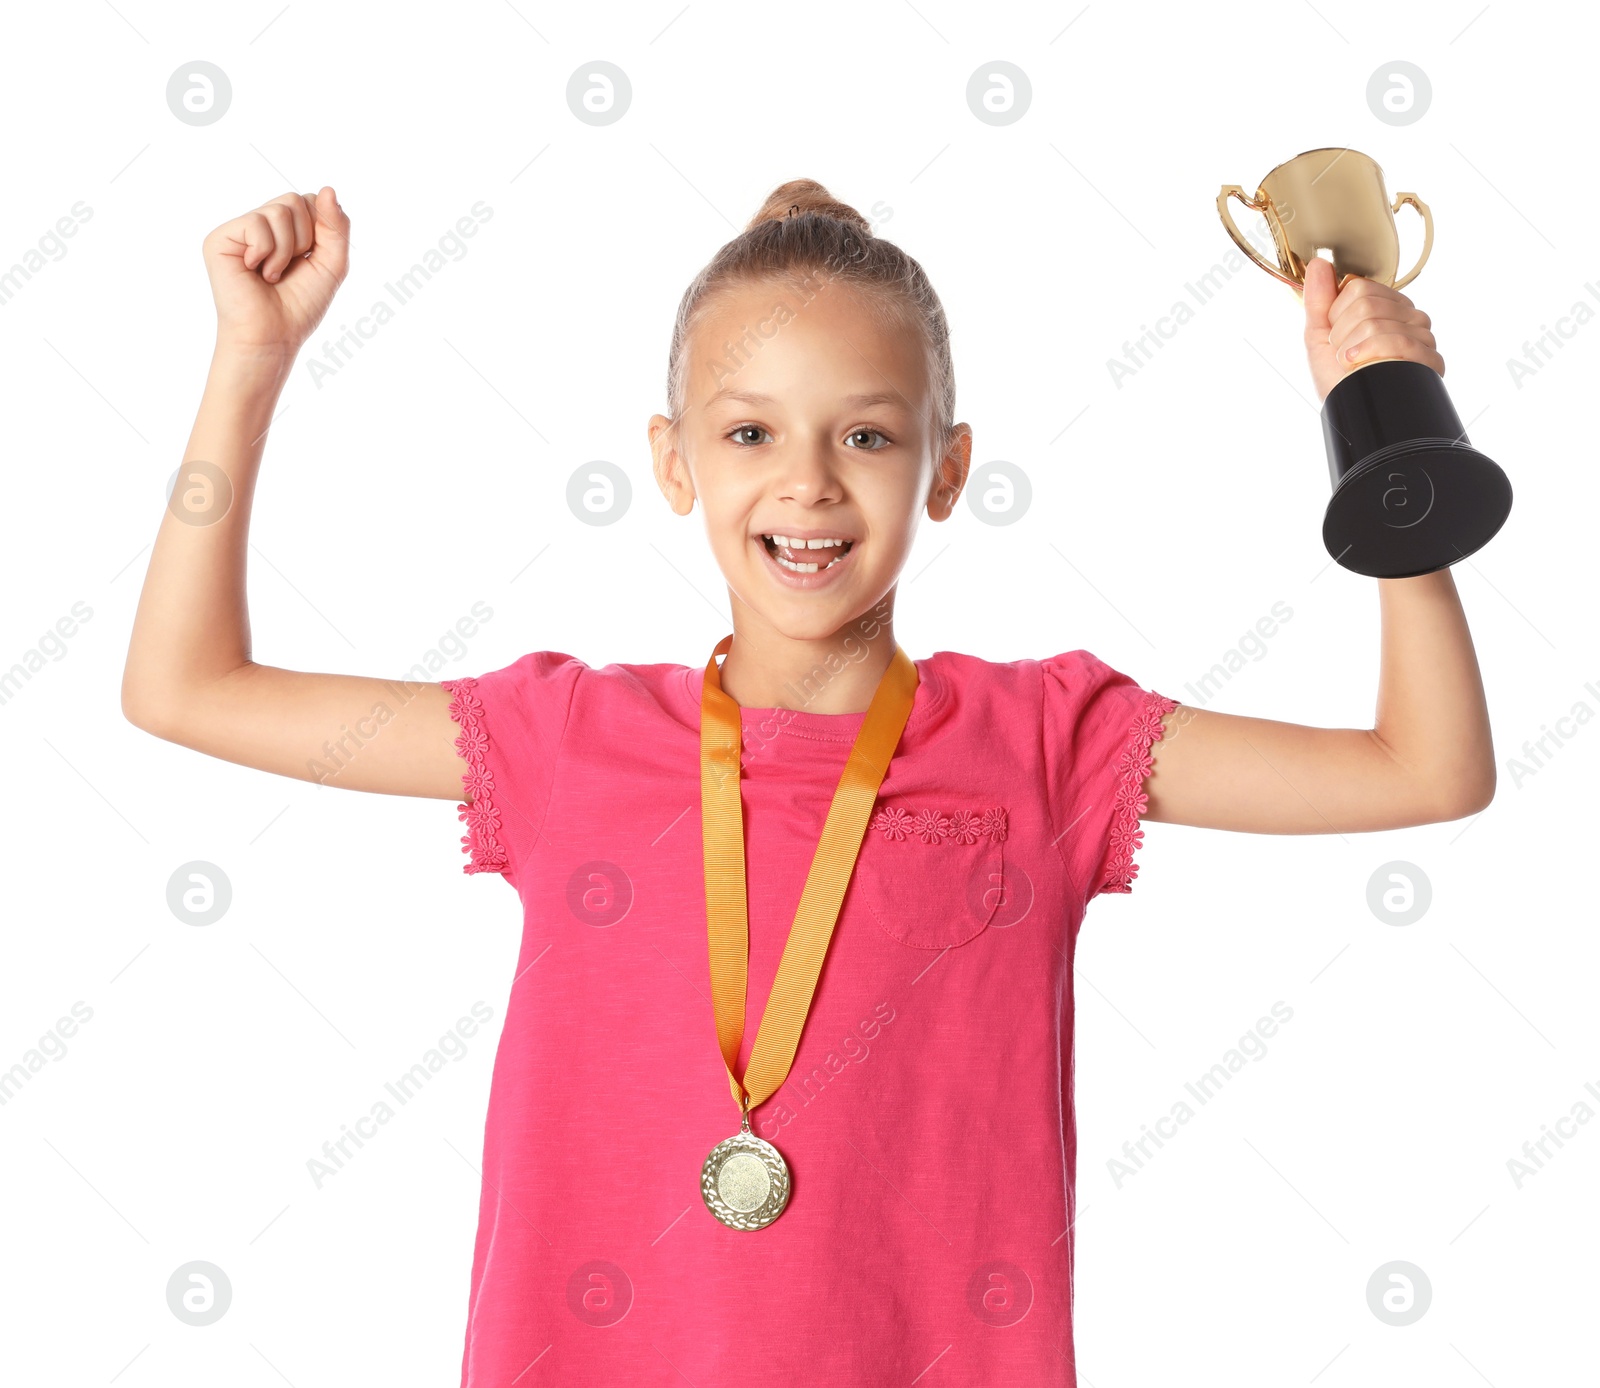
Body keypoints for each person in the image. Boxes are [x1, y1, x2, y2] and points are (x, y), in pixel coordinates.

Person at [121, 177, 1495, 1386]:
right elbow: (183, 689)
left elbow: (1424, 769)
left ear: (948, 470)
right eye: (749, 435)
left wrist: (1390, 445)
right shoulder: (563, 746)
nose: (811, 486)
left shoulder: (1049, 745)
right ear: (671, 462)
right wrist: (249, 362)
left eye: (869, 436)